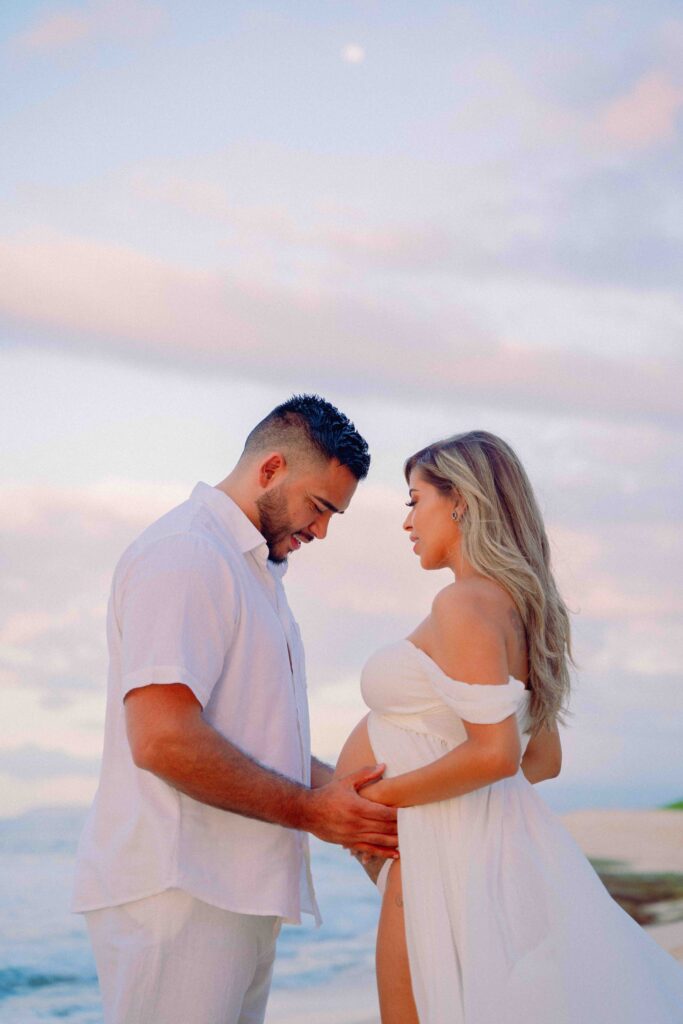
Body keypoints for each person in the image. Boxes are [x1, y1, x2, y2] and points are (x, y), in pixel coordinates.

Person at [336, 430, 683, 1023]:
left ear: (461, 500)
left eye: (414, 500)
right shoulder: (518, 606)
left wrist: (371, 803)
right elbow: (541, 759)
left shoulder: (465, 604)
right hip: (476, 853)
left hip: (438, 857)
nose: (407, 522)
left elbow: (496, 754)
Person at [72, 394, 398, 1024]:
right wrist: (310, 811)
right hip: (179, 887)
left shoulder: (254, 573)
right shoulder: (187, 555)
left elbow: (257, 742)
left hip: (231, 889)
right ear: (271, 470)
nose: (322, 531)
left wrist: (360, 800)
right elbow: (163, 740)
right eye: (320, 507)